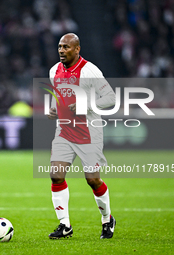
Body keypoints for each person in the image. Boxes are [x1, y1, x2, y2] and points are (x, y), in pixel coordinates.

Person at [47, 33, 116, 239]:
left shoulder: (89, 70)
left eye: (66, 47)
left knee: (93, 180)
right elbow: (57, 95)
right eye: (59, 46)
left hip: (89, 132)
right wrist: (53, 109)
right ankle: (65, 225)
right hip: (64, 131)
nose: (61, 50)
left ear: (77, 49)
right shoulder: (54, 71)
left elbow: (110, 98)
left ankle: (107, 219)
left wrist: (86, 104)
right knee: (56, 174)